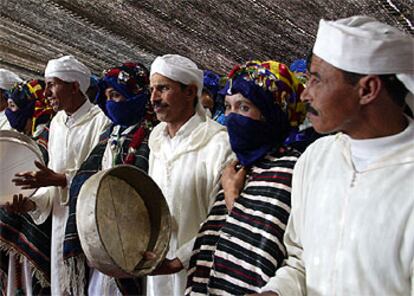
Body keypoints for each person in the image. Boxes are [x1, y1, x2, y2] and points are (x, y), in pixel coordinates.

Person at [255, 15, 414, 296]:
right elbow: (301, 260)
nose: (305, 95)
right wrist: (276, 292)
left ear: (367, 89)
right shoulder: (316, 159)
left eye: (316, 79)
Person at [185, 60, 305, 295]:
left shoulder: (293, 171)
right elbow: (216, 232)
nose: (231, 117)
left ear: (272, 113)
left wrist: (231, 196)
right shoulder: (238, 166)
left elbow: (280, 248)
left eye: (243, 107)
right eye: (228, 107)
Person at [7, 55, 110, 295]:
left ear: (74, 86)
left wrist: (61, 179)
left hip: (90, 224)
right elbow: (48, 182)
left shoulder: (101, 121)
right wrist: (31, 204)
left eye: (52, 84)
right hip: (60, 222)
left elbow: (103, 175)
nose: (46, 93)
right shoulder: (56, 124)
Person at [62, 62, 157, 296]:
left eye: (117, 95)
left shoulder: (153, 136)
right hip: (102, 232)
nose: (111, 103)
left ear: (135, 95)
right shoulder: (109, 133)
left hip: (134, 235)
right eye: (107, 96)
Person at [146, 54, 233, 296]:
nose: (154, 98)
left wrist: (180, 259)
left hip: (201, 269)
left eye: (163, 89)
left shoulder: (218, 143)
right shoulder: (156, 142)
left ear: (190, 92)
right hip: (158, 265)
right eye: (152, 89)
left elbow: (222, 220)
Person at [0, 79, 54, 296]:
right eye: (10, 106)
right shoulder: (19, 138)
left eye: (14, 106)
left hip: (40, 219)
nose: (11, 112)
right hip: (16, 217)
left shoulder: (46, 139)